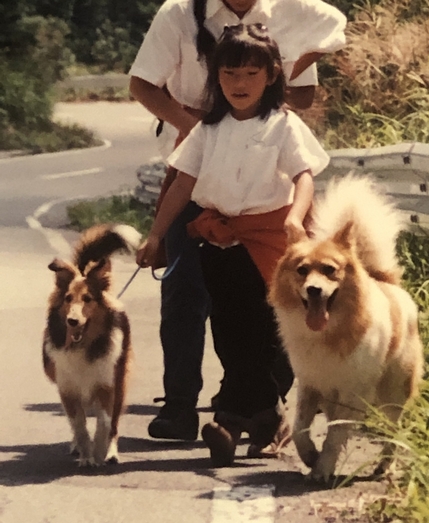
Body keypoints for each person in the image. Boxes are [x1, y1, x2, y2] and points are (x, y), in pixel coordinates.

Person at [129, 0, 347, 443]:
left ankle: (256, 408)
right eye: (229, 73)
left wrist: (273, 84)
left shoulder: (288, 17)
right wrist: (196, 127)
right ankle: (182, 405)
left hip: (269, 219)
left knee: (275, 313)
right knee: (192, 296)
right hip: (207, 194)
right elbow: (143, 85)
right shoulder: (179, 14)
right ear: (217, 77)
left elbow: (304, 97)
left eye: (252, 72)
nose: (239, 81)